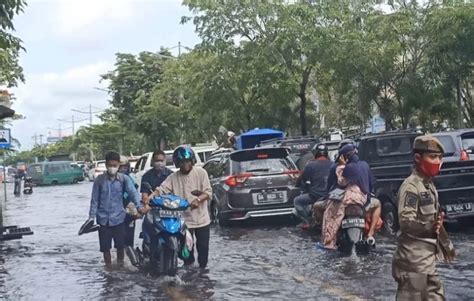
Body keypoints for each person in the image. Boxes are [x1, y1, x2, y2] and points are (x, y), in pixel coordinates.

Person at [392, 135, 455, 300]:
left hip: (427, 262)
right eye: (432, 157)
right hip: (413, 264)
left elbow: (435, 221)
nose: (437, 161)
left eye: (439, 157)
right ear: (418, 158)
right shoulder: (411, 187)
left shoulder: (428, 186)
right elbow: (406, 222)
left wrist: (447, 246)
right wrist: (429, 226)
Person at [151, 145, 212, 269]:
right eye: (182, 162)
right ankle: (190, 273)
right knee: (186, 254)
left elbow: (208, 192)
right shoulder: (173, 178)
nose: (185, 165)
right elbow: (161, 189)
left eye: (188, 162)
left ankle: (202, 276)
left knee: (203, 251)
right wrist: (150, 198)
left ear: (192, 161)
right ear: (178, 163)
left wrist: (198, 200)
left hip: (201, 220)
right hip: (184, 222)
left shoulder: (201, 173)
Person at [88, 151, 143, 266]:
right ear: (106, 165)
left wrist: (139, 207)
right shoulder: (99, 181)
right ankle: (108, 268)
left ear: (118, 165)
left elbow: (133, 193)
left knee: (120, 246)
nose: (112, 168)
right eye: (110, 165)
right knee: (105, 248)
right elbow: (94, 200)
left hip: (119, 218)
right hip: (103, 220)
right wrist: (91, 218)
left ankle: (120, 266)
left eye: (115, 165)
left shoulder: (124, 179)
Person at [294, 143, 333, 229]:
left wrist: (298, 183)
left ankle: (307, 222)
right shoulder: (332, 164)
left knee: (297, 201)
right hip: (330, 195)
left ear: (315, 153)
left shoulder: (310, 165)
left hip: (315, 195)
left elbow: (303, 179)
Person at [118, 155, 140, 248]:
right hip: (117, 209)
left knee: (129, 233)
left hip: (130, 207)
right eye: (121, 167)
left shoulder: (131, 178)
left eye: (125, 167)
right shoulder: (112, 179)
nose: (123, 169)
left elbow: (134, 192)